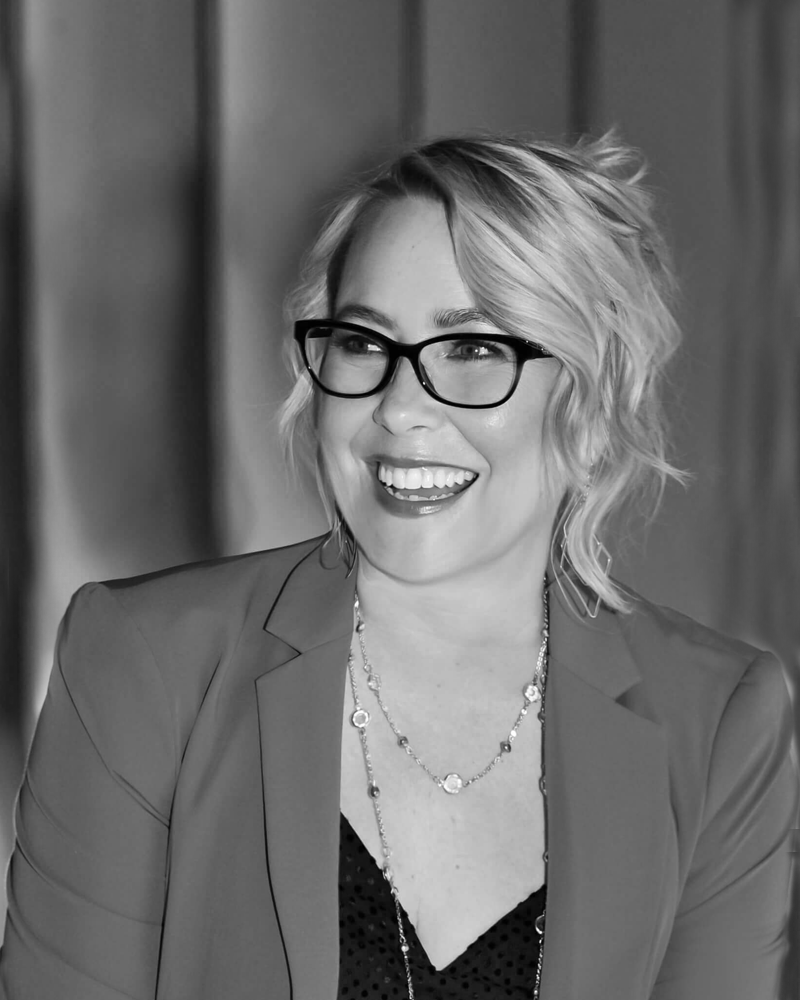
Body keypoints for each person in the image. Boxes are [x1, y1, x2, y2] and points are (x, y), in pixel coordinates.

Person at [0, 132, 796, 1000]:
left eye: (473, 349)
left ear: (590, 398)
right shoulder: (145, 664)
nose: (401, 406)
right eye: (363, 342)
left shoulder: (721, 722)